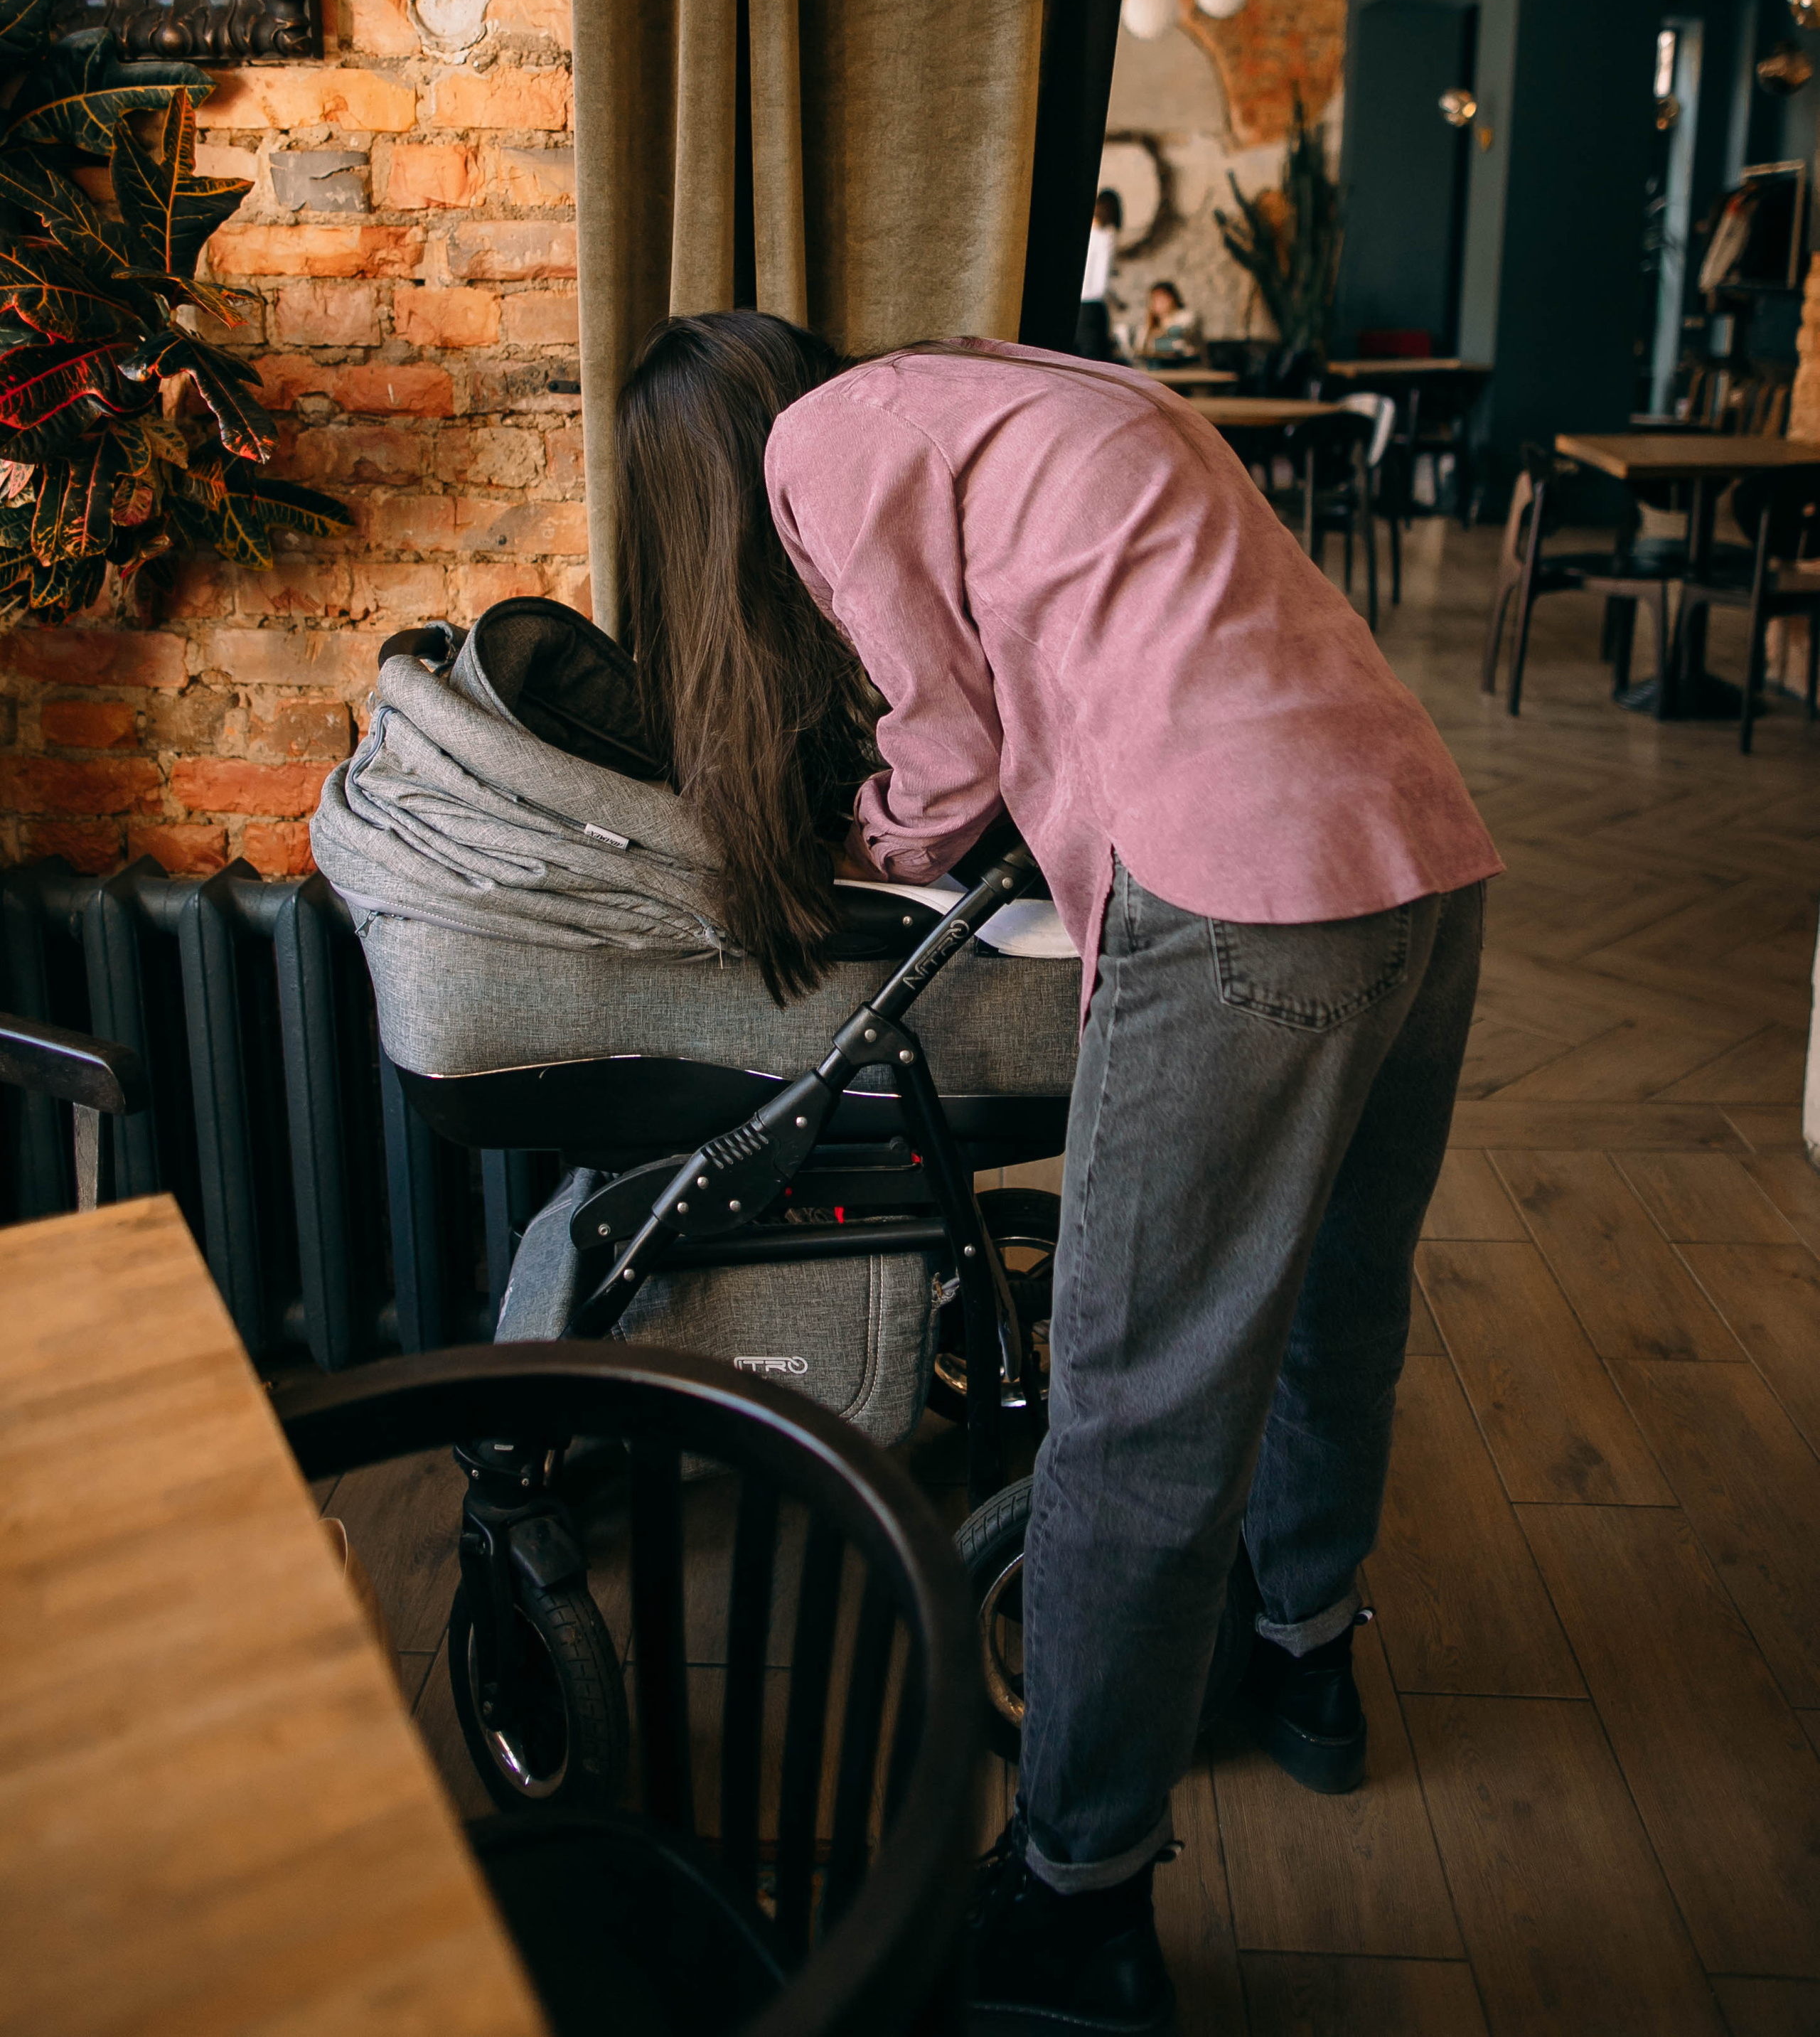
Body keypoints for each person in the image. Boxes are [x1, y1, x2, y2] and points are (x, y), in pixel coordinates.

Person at [615, 314, 1499, 2037]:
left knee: (1133, 1399)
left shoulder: (818, 447)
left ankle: (1074, 1904)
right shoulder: (1013, 382)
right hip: (1419, 842)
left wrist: (853, 841)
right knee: (1337, 1299)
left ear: (704, 471)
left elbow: (943, 751)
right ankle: (1304, 1660)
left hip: (1244, 880)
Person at [1077, 188, 1123, 359]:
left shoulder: (1086, 235)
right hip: (1092, 307)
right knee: (1094, 359)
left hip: (1079, 308)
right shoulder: (1107, 235)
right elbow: (1101, 284)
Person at [1134, 278, 1201, 363]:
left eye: (1163, 298)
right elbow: (1140, 349)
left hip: (1187, 366)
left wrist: (1160, 332)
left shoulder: (1187, 317)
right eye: (1155, 299)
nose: (1160, 303)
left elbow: (1181, 334)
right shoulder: (1148, 326)